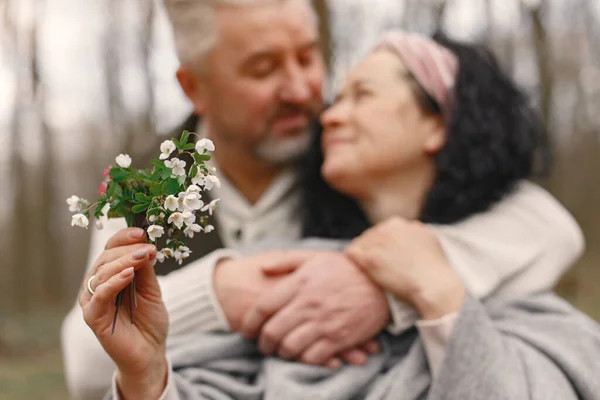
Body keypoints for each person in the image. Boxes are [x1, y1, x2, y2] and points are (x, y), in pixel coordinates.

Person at [61, 0, 584, 398]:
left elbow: (549, 228)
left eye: (309, 57)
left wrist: (386, 285)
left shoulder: (345, 154)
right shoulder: (145, 192)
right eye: (263, 69)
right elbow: (87, 357)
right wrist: (219, 291)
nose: (303, 90)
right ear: (195, 88)